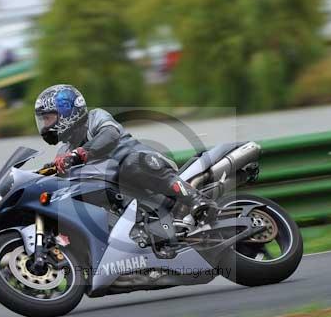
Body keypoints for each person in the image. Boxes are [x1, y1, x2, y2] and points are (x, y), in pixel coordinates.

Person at [34, 84, 217, 224]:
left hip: (146, 165)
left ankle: (196, 199)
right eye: (43, 120)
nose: (45, 125)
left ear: (66, 113)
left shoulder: (95, 118)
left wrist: (80, 153)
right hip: (122, 191)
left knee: (133, 164)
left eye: (48, 118)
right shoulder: (64, 151)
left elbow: (110, 135)